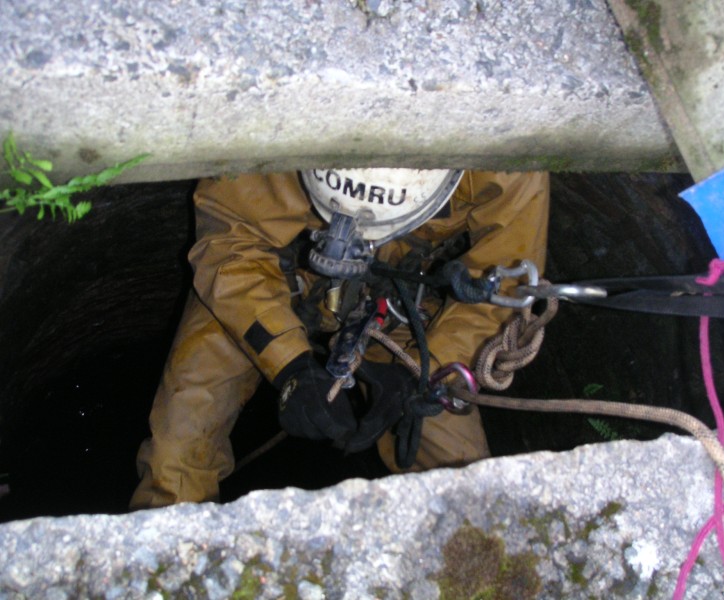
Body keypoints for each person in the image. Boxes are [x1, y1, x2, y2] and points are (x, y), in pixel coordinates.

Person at [129, 169, 549, 509]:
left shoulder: (507, 156)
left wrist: (427, 370)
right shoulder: (281, 116)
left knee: (464, 480)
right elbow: (229, 242)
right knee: (177, 451)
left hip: (401, 304)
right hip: (258, 286)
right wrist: (289, 364)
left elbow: (505, 281)